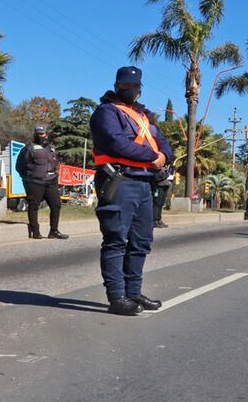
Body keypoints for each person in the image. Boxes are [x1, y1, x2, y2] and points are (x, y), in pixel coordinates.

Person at [90, 66, 173, 316]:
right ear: (117, 85)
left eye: (135, 86)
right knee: (116, 240)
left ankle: (133, 292)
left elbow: (164, 144)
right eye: (126, 86)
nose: (131, 90)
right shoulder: (106, 112)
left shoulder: (144, 117)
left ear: (139, 89)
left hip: (144, 184)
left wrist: (163, 156)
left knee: (141, 241)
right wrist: (154, 156)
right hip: (120, 181)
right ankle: (117, 297)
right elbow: (117, 142)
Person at [16, 125, 68, 240]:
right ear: (35, 135)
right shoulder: (29, 148)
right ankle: (35, 231)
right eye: (38, 134)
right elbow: (19, 166)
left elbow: (55, 164)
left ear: (46, 135)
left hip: (51, 182)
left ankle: (53, 231)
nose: (40, 136)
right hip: (34, 182)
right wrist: (27, 178)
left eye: (42, 134)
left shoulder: (51, 148)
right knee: (34, 206)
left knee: (56, 205)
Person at [146, 111, 172, 229]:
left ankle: (157, 219)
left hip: (162, 180)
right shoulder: (149, 132)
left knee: (160, 202)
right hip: (157, 180)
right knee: (156, 202)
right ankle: (154, 220)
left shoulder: (155, 132)